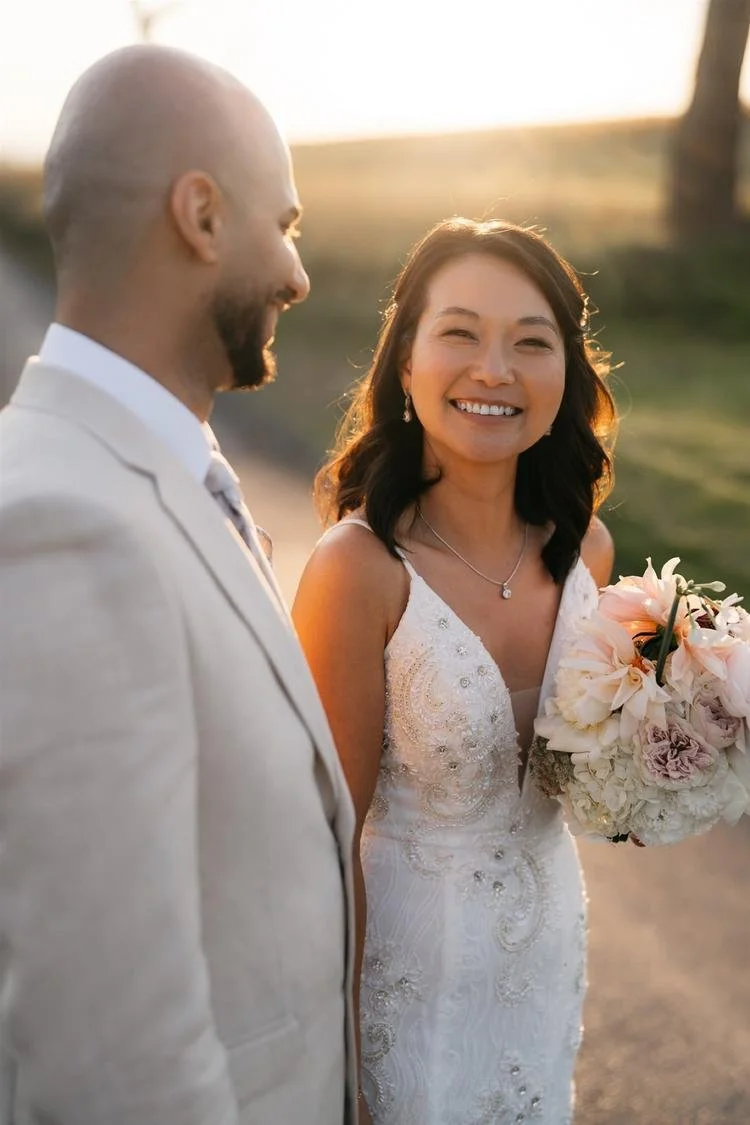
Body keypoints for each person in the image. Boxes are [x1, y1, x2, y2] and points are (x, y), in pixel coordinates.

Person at [0, 46, 357, 1125]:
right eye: (283, 227)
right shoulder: (65, 527)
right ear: (200, 216)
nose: (297, 277)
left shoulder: (146, 467)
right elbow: (115, 1062)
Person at [292, 218, 618, 1124]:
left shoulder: (588, 555)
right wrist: (340, 1066)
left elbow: (590, 778)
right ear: (406, 363)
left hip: (544, 960)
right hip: (405, 995)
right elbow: (320, 840)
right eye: (461, 333)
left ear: (568, 373)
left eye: (531, 342)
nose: (494, 369)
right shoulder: (357, 570)